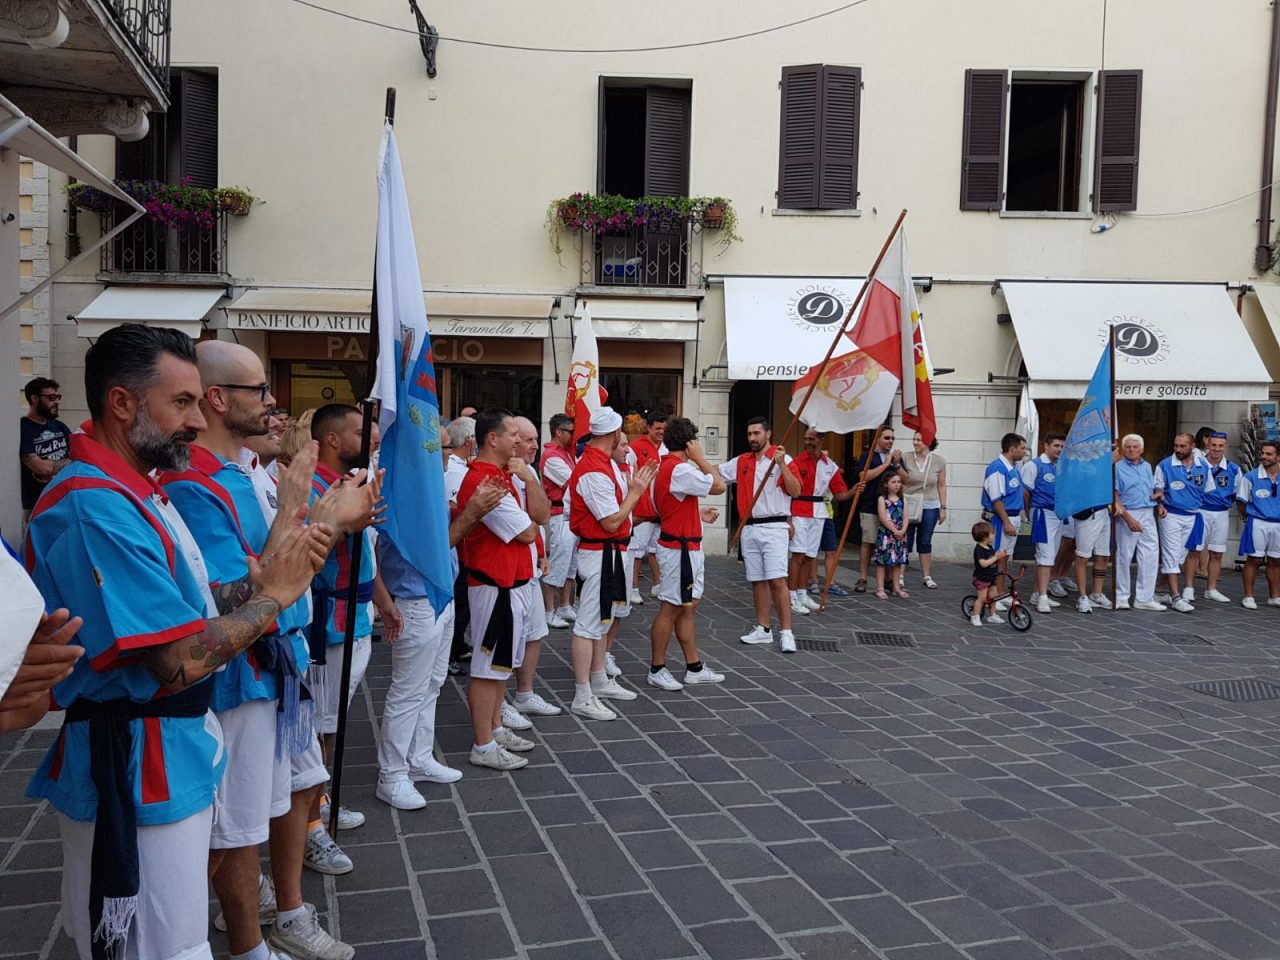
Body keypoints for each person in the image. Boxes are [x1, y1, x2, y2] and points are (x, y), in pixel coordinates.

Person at [24, 323, 328, 960]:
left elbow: (199, 611)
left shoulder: (140, 489)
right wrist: (276, 594)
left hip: (169, 756)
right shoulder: (96, 504)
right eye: (182, 403)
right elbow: (177, 660)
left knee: (179, 937)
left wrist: (270, 579)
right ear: (123, 404)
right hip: (137, 764)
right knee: (160, 948)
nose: (197, 419)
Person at [162, 343, 372, 960]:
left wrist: (322, 520)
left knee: (294, 792)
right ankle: (238, 938)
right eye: (258, 391)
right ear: (220, 400)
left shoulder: (248, 471)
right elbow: (245, 590)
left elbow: (287, 565)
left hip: (282, 658)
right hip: (243, 669)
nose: (273, 403)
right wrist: (323, 521)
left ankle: (283, 912)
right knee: (237, 828)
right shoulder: (195, 485)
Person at [375, 459, 509, 809]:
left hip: (439, 594)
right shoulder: (402, 495)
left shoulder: (427, 488)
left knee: (432, 683)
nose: (442, 457)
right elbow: (430, 553)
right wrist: (471, 514)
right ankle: (391, 775)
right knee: (408, 690)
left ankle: (418, 759)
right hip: (415, 597)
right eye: (434, 448)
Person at [306, 405, 400, 853]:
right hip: (331, 624)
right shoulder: (315, 491)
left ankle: (320, 796)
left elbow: (365, 548)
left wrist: (383, 600)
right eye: (363, 431)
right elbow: (306, 560)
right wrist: (346, 526)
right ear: (332, 440)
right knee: (321, 725)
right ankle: (312, 816)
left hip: (357, 616)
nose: (375, 436)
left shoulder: (351, 484)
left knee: (333, 722)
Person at [457, 408, 542, 768]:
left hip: (513, 581)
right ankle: (483, 745)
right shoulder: (483, 480)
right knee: (487, 667)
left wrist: (529, 482)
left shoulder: (502, 476)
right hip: (495, 584)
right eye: (512, 435)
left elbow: (541, 515)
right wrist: (533, 524)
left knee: (501, 665)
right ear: (492, 439)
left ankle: (493, 727)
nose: (519, 442)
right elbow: (527, 531)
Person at [567, 407, 656, 720]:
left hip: (610, 551)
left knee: (601, 620)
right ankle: (582, 693)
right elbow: (610, 520)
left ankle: (599, 679)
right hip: (601, 551)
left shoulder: (602, 464)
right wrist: (635, 493)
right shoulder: (593, 468)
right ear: (614, 433)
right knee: (588, 625)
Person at [648, 417, 727, 691]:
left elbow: (671, 504)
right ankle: (657, 668)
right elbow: (718, 485)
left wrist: (697, 513)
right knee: (671, 607)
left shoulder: (667, 467)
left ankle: (694, 666)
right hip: (679, 549)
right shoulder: (679, 469)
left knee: (687, 607)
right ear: (690, 443)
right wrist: (701, 459)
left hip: (682, 545)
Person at [719, 417, 803, 652]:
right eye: (749, 434)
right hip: (750, 527)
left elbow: (796, 491)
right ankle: (763, 628)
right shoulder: (742, 461)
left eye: (757, 433)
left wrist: (782, 466)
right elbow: (717, 474)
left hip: (775, 527)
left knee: (777, 580)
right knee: (757, 580)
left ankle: (787, 632)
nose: (752, 438)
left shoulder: (782, 458)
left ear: (768, 434)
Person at [507, 416, 561, 726]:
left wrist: (540, 553)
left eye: (536, 439)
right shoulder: (504, 472)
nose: (534, 445)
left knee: (534, 633)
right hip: (505, 572)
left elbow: (540, 516)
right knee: (508, 641)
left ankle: (525, 694)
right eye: (528, 440)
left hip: (529, 566)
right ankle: (499, 702)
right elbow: (525, 528)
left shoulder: (529, 472)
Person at [787, 428, 854, 614]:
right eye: (805, 438)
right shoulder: (796, 462)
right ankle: (791, 596)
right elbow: (788, 492)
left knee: (810, 556)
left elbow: (840, 494)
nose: (807, 442)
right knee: (798, 556)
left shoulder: (829, 466)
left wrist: (855, 490)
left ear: (821, 440)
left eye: (811, 439)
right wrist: (789, 519)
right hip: (800, 510)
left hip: (819, 512)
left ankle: (801, 593)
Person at [1152, 432, 1209, 613]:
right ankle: (1176, 597)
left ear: (1192, 446)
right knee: (1170, 554)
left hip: (1192, 516)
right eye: (1176, 446)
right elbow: (1157, 487)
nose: (1178, 449)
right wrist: (1160, 503)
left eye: (1182, 446)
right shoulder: (1165, 465)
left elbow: (1207, 490)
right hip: (1171, 515)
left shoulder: (1203, 465)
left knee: (1179, 556)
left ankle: (1160, 591)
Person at [1114, 433, 1165, 611]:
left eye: (1135, 447)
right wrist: (1127, 518)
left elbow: (1152, 489)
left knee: (1150, 555)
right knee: (1124, 556)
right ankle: (1121, 596)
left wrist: (1159, 500)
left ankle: (1144, 597)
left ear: (1142, 449)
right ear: (1123, 449)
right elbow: (1115, 495)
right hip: (1128, 513)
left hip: (1148, 512)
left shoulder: (1147, 466)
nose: (1131, 450)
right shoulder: (1117, 468)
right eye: (1128, 447)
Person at [853, 426, 907, 592]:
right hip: (871, 505)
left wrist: (896, 464)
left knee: (890, 543)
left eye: (892, 438)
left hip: (892, 509)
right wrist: (885, 465)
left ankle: (889, 580)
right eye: (886, 438)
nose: (890, 441)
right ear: (877, 439)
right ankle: (863, 577)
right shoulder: (867, 456)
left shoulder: (896, 458)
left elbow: (906, 479)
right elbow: (863, 476)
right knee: (868, 542)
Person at [540, 413, 579, 629]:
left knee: (570, 565)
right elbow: (574, 482)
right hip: (559, 515)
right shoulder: (552, 456)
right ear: (558, 432)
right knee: (557, 563)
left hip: (570, 515)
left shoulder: (565, 454)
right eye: (570, 432)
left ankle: (564, 605)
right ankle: (548, 610)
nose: (574, 436)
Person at [444, 416, 476, 673]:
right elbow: (457, 509)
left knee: (463, 602)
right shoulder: (456, 471)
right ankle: (451, 652)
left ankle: (458, 645)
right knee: (460, 601)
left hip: (462, 545)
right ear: (468, 441)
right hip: (460, 545)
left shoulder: (461, 468)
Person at [980, 432, 1027, 604]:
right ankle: (992, 595)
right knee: (997, 556)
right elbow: (996, 499)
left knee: (1004, 557)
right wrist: (1006, 522)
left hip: (1012, 516)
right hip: (1000, 520)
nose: (1024, 452)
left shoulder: (1012, 468)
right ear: (1012, 448)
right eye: (1022, 448)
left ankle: (1000, 591)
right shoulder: (997, 468)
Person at [626, 411, 668, 604]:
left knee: (656, 550)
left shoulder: (667, 449)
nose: (661, 432)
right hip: (642, 508)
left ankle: (657, 585)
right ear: (648, 428)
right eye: (657, 428)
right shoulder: (635, 447)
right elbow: (628, 475)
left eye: (663, 428)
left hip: (661, 509)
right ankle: (633, 588)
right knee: (636, 551)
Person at [1022, 432, 1066, 614]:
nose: (1059, 449)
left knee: (1049, 555)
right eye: (1056, 446)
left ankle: (1036, 593)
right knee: (1046, 554)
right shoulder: (1034, 465)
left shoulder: (1062, 466)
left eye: (1062, 447)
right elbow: (1025, 491)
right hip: (1042, 513)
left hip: (1058, 514)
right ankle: (1042, 597)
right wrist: (1028, 512)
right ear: (1046, 446)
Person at [20, 376, 72, 521]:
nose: (57, 402)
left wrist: (52, 468)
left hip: (64, 499)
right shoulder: (23, 428)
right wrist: (69, 463)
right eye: (51, 398)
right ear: (35, 399)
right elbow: (41, 468)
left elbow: (80, 455)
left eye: (58, 397)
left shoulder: (59, 426)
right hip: (38, 506)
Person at [1237, 439, 1280, 610]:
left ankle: (1274, 596)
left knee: (1276, 561)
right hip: (1258, 522)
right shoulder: (1250, 477)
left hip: (1278, 524)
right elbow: (1241, 502)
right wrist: (1249, 518)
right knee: (1254, 559)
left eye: (1268, 454)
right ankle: (1248, 596)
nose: (1264, 457)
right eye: (1262, 453)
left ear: (1278, 456)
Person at [1200, 431, 1242, 603]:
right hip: (1200, 511)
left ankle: (1211, 589)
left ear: (1225, 447)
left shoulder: (1233, 468)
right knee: (1194, 551)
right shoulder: (1198, 464)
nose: (1216, 449)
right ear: (1208, 444)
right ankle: (1187, 588)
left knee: (1217, 552)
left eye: (1220, 445)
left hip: (1221, 513)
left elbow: (1237, 492)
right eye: (1214, 445)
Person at [902, 431, 947, 589]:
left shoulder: (939, 461)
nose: (915, 442)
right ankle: (900, 575)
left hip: (930, 504)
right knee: (905, 539)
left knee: (925, 540)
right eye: (914, 439)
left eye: (919, 440)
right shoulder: (905, 458)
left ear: (928, 442)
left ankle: (926, 575)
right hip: (910, 503)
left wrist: (943, 507)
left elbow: (941, 484)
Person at [873, 473, 910, 599]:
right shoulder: (882, 499)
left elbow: (906, 516)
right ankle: (880, 588)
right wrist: (895, 530)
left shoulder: (903, 499)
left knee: (898, 562)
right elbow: (883, 517)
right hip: (886, 535)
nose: (897, 484)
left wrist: (903, 530)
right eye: (893, 482)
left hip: (900, 535)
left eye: (898, 482)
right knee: (882, 562)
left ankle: (896, 587)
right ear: (886, 484)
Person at [970, 521, 1005, 626]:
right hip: (982, 578)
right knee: (982, 598)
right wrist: (996, 557)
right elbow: (983, 564)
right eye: (992, 534)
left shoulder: (990, 547)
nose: (994, 536)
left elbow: (993, 560)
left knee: (993, 597)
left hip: (991, 577)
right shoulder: (979, 549)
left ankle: (992, 615)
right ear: (985, 536)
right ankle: (975, 616)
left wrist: (999, 555)